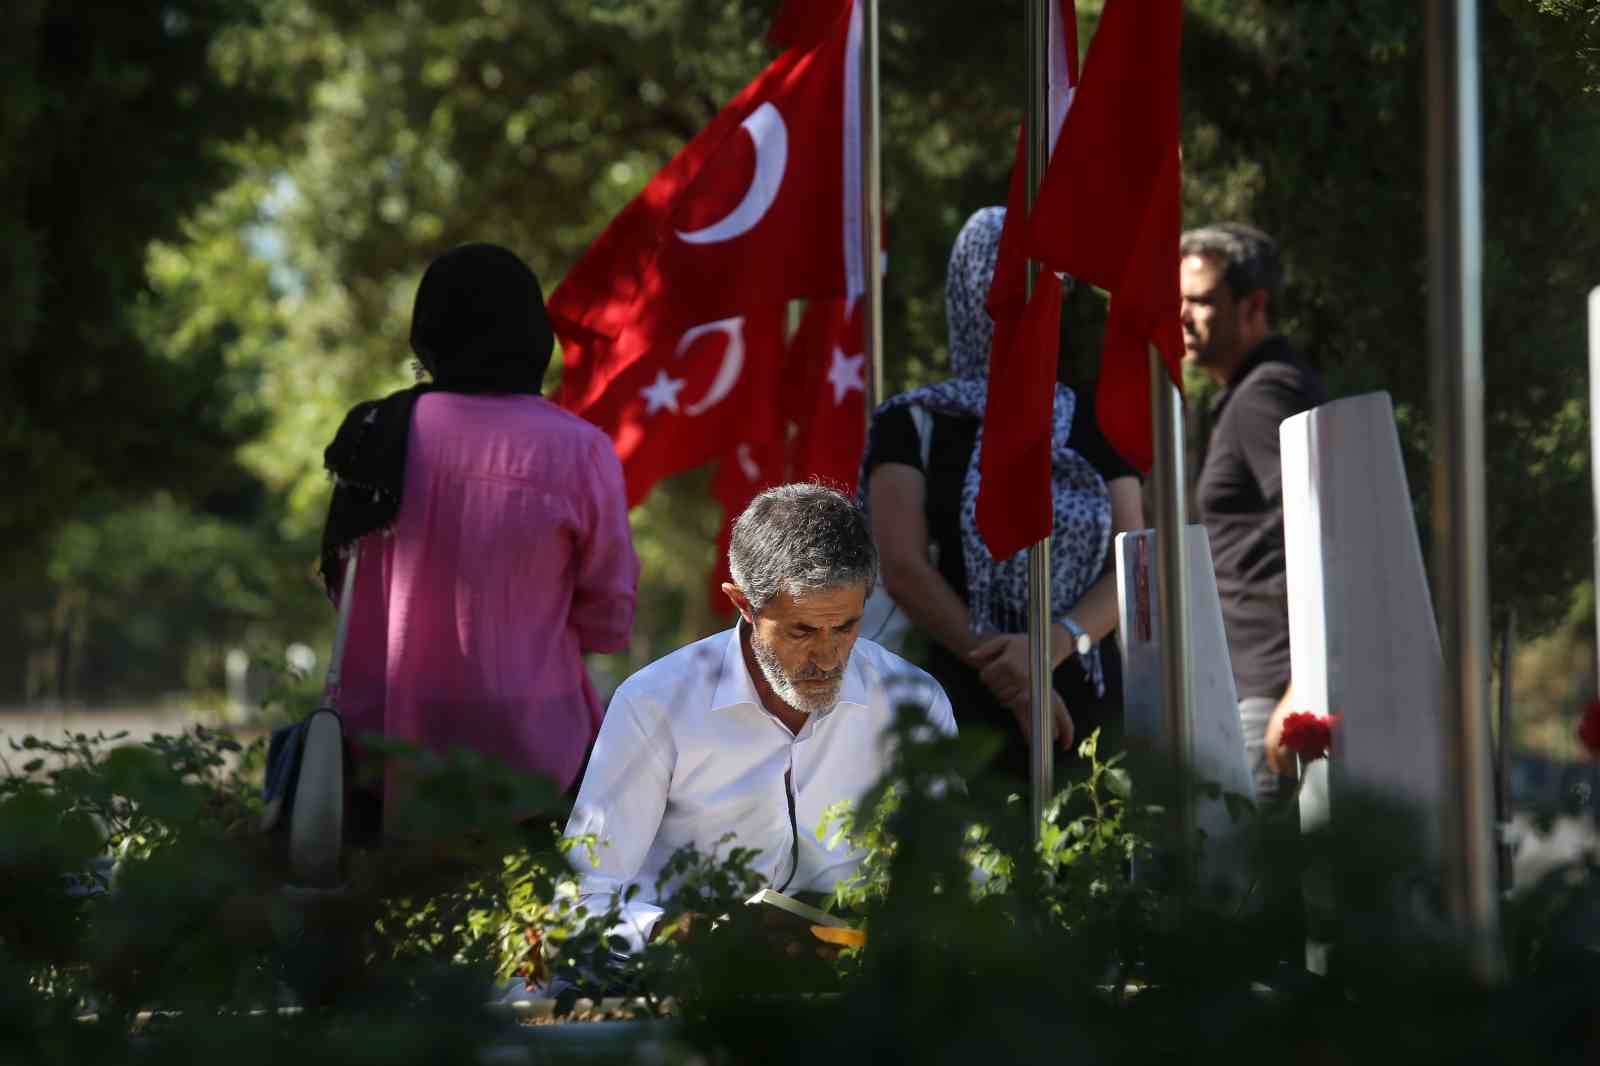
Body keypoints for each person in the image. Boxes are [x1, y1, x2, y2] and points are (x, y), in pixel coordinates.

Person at [320, 242, 639, 825]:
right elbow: (609, 622)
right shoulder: (580, 450)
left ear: (428, 334)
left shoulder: (376, 432)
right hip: (536, 760)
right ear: (533, 335)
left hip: (383, 756)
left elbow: (344, 585)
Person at [563, 483, 956, 952]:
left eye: (846, 626)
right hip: (682, 987)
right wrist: (682, 935)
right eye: (803, 630)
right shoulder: (654, 703)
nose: (828, 658)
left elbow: (952, 873)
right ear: (743, 604)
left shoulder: (912, 700)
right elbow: (583, 897)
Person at [860, 207, 1144, 781]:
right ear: (968, 292)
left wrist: (1048, 650)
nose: (1018, 311)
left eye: (1036, 292)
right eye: (1003, 291)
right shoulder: (915, 423)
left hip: (1083, 690)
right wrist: (1010, 671)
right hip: (960, 694)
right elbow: (904, 566)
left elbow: (1134, 557)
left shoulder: (1090, 421)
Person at [1180, 223, 1327, 806]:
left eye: (1201, 301)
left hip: (1272, 695)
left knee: (1250, 892)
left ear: (1253, 307)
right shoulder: (1244, 396)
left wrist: (1300, 689)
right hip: (1249, 689)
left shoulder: (1268, 394)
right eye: (1179, 300)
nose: (1183, 315)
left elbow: (1324, 526)